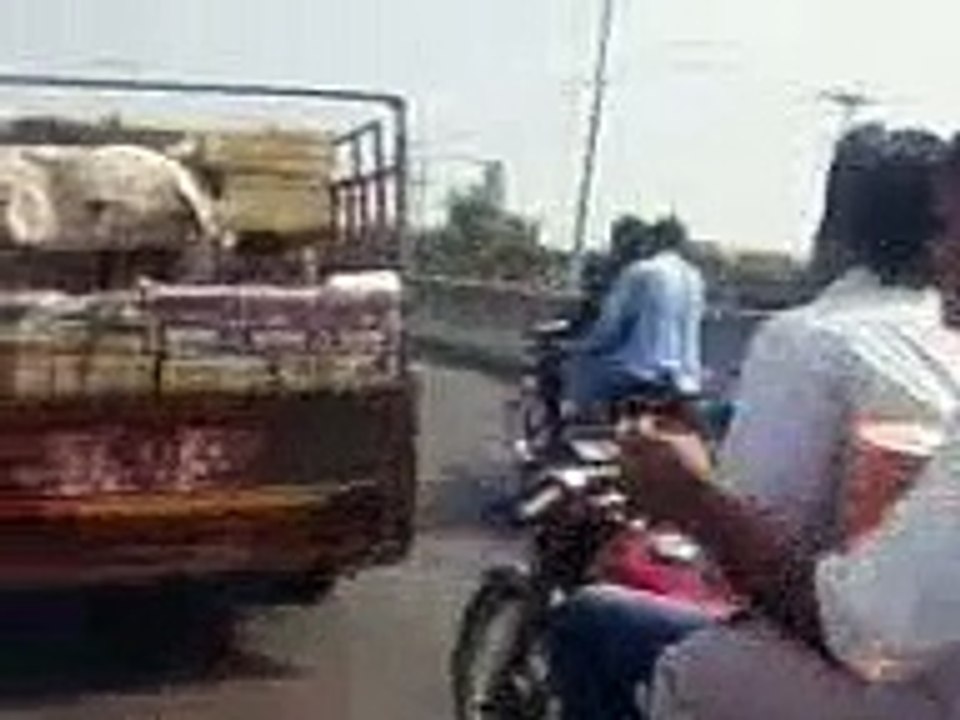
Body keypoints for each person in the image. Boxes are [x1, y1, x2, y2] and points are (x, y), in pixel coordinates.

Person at [547, 125, 960, 719]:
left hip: (898, 671)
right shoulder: (934, 336)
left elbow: (861, 630)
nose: (938, 251)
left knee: (601, 625)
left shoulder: (806, 338)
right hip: (685, 379)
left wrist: (689, 497)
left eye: (950, 229)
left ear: (834, 230)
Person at [566, 215, 705, 412]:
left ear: (654, 240)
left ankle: (576, 423)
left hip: (641, 373)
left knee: (582, 364)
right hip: (687, 379)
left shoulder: (642, 271)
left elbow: (610, 326)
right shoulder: (695, 278)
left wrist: (585, 346)